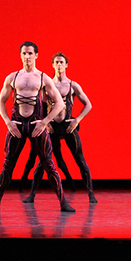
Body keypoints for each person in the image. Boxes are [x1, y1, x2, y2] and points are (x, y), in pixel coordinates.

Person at [0, 42, 74, 213]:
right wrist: (8, 122)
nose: (27, 56)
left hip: (35, 124)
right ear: (20, 55)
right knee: (8, 165)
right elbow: (0, 101)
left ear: (36, 55)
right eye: (24, 53)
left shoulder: (43, 77)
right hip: (17, 124)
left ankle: (63, 203)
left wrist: (45, 122)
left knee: (48, 164)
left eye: (30, 53)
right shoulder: (12, 77)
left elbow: (59, 103)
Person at [23, 53, 97, 204]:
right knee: (43, 162)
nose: (59, 65)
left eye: (61, 62)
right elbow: (40, 106)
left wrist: (77, 120)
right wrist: (45, 122)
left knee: (80, 160)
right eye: (56, 62)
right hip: (52, 128)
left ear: (66, 65)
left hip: (67, 126)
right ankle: (31, 195)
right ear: (52, 65)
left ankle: (91, 194)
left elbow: (88, 104)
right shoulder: (47, 85)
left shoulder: (72, 85)